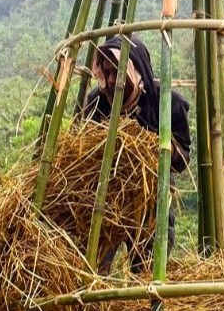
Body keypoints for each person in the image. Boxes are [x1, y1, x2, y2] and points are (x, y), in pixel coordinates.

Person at [81, 36, 191, 274]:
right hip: (104, 200)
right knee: (94, 269)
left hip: (152, 200)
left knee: (148, 272)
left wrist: (158, 149)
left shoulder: (166, 103)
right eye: (106, 72)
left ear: (135, 71)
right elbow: (80, 152)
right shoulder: (96, 104)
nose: (110, 81)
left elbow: (183, 159)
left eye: (117, 74)